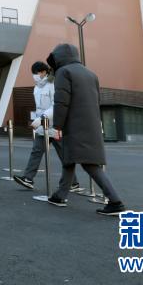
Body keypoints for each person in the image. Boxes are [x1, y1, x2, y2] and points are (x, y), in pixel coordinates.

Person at [44, 43, 126, 216]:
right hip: (91, 124)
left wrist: (57, 126)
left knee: (89, 164)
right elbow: (96, 102)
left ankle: (115, 201)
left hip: (74, 125)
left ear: (59, 57)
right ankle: (60, 196)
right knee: (69, 159)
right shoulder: (91, 74)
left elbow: (61, 102)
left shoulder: (63, 72)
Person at [13, 62, 80, 193]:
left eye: (36, 73)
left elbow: (56, 105)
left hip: (56, 125)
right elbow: (39, 107)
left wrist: (41, 119)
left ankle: (73, 183)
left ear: (44, 72)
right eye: (33, 73)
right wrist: (38, 120)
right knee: (36, 151)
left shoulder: (53, 84)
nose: (35, 76)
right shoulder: (36, 88)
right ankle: (28, 179)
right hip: (43, 126)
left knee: (64, 155)